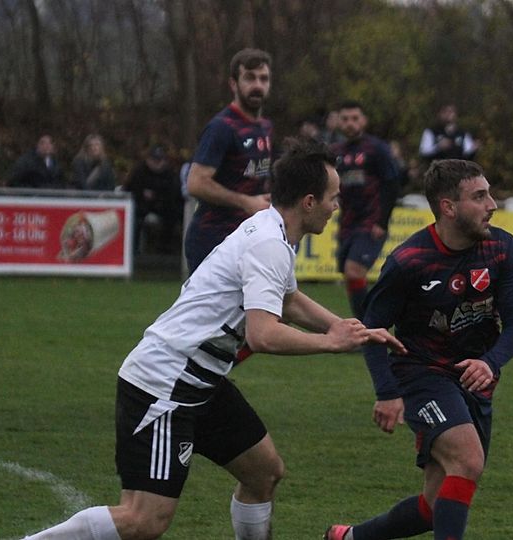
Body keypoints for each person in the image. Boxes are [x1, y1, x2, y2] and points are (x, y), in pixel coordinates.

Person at [24, 138, 406, 540]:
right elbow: (263, 335)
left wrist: (346, 329)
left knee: (264, 473)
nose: (337, 206)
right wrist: (332, 343)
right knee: (143, 520)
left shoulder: (275, 233)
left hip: (200, 384)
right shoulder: (268, 243)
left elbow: (289, 300)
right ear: (309, 201)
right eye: (332, 198)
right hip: (163, 385)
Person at [324, 159, 513, 540]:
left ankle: (348, 538)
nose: (493, 204)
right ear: (448, 207)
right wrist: (387, 393)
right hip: (422, 374)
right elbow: (372, 329)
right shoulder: (409, 262)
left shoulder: (501, 248)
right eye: (479, 196)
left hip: (473, 380)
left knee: (434, 506)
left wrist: (490, 362)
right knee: (467, 460)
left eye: (489, 193)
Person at [184, 48, 274, 274]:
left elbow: (253, 177)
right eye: (250, 78)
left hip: (246, 238)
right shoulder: (222, 127)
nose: (258, 85)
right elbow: (196, 183)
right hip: (213, 238)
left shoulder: (264, 127)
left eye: (263, 79)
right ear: (233, 84)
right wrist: (246, 202)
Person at [330, 100, 401, 320]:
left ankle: (367, 328)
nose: (350, 123)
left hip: (370, 222)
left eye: (354, 118)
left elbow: (392, 183)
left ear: (364, 121)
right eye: (345, 119)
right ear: (338, 122)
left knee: (354, 271)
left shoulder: (377, 149)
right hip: (347, 223)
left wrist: (382, 221)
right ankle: (364, 329)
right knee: (350, 275)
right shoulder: (336, 152)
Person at [123, 144, 185, 254]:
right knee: (134, 217)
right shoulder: (139, 171)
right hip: (141, 206)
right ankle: (133, 252)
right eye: (154, 160)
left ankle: (165, 252)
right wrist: (142, 194)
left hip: (162, 206)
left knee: (172, 216)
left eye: (160, 160)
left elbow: (174, 194)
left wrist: (158, 197)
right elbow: (128, 190)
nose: (157, 163)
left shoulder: (169, 173)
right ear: (148, 159)